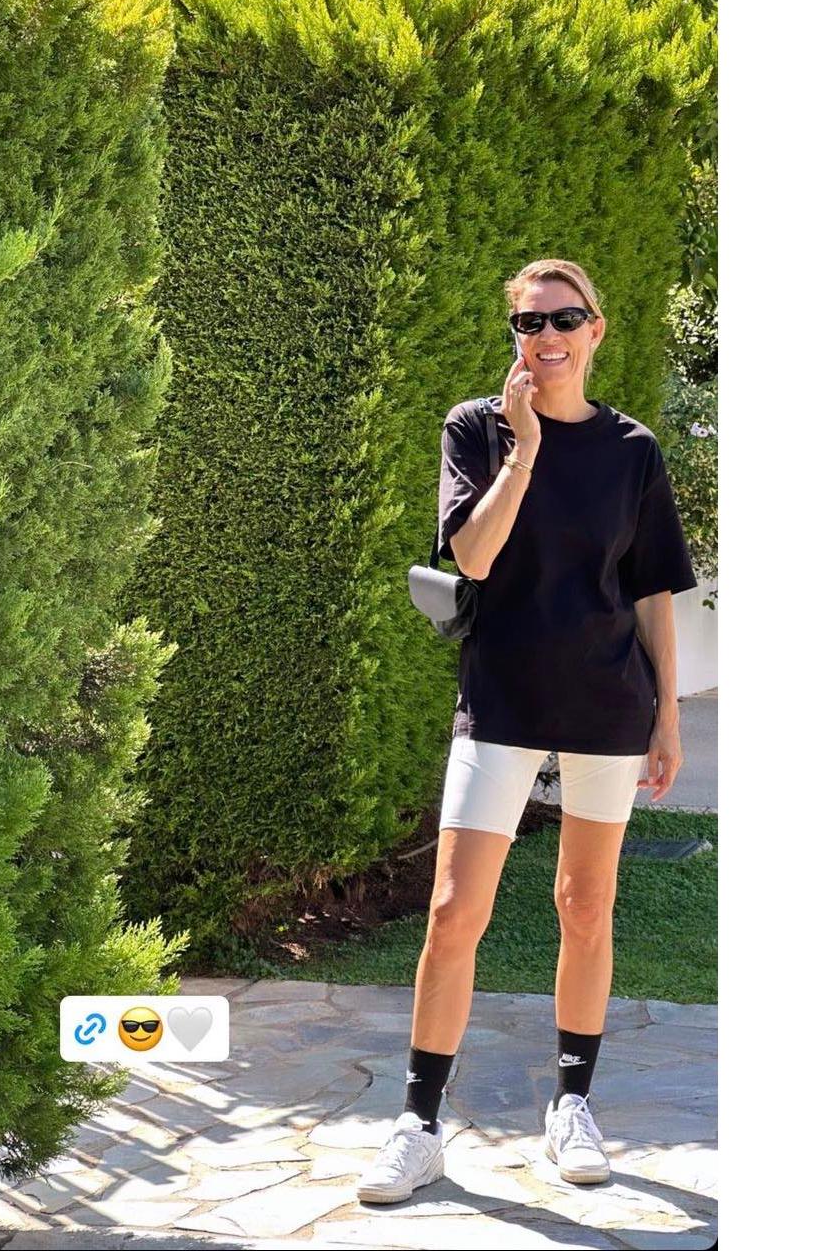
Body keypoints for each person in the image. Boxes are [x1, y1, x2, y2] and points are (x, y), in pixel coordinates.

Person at [356, 258, 698, 1203]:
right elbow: (472, 553)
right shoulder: (477, 427)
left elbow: (651, 592)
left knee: (585, 906)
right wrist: (525, 450)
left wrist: (668, 715)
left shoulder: (633, 450)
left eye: (564, 319)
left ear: (595, 330)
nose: (546, 337)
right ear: (515, 334)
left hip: (608, 705)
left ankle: (571, 1107)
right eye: (529, 323)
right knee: (453, 911)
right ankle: (419, 1125)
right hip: (502, 698)